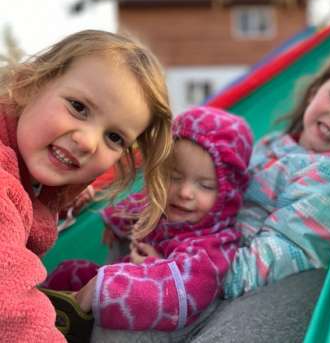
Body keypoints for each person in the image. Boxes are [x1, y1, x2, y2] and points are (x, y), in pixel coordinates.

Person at [190, 44, 330, 342]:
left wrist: (184, 267)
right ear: (315, 90)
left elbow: (271, 262)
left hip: (239, 287)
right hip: (204, 261)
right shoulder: (272, 144)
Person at [0, 29, 173, 342]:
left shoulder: (28, 179)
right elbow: (10, 308)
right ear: (29, 84)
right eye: (78, 107)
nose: (88, 141)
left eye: (114, 137)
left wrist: (57, 201)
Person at [42, 106, 253, 338]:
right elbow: (141, 202)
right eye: (174, 177)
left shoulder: (212, 244)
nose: (185, 192)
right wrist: (116, 221)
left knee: (116, 330)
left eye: (205, 185)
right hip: (123, 288)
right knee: (70, 272)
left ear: (227, 194)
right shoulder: (163, 208)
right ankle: (34, 321)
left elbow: (183, 292)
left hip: (160, 320)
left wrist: (107, 287)